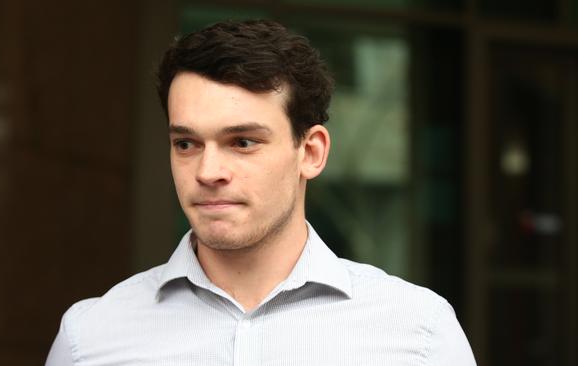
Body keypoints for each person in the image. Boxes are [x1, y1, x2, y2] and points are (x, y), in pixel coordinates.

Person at [45, 19, 476, 365]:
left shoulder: (418, 334)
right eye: (186, 144)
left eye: (243, 142)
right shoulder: (91, 337)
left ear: (310, 152)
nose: (208, 171)